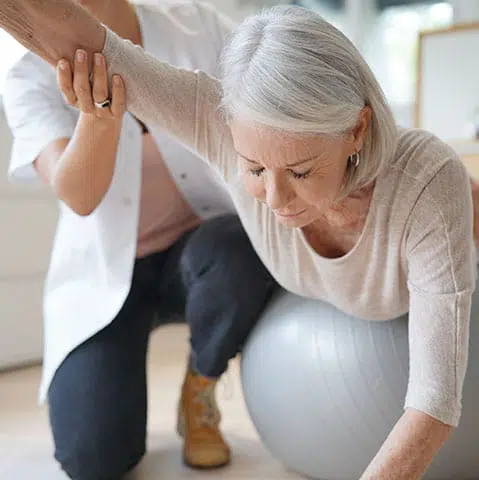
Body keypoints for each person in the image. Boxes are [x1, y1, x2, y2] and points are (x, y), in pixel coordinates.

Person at [1, 1, 478, 479]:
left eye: (300, 171)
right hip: (117, 270)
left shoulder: (428, 184)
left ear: (356, 130)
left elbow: (434, 402)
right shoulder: (218, 124)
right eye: (254, 169)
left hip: (449, 316)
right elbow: (98, 49)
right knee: (92, 456)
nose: (275, 198)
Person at [1, 1, 278, 479]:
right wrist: (101, 116)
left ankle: (201, 386)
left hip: (203, 253)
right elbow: (80, 195)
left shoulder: (197, 26)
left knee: (239, 247)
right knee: (94, 459)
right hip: (108, 275)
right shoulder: (25, 71)